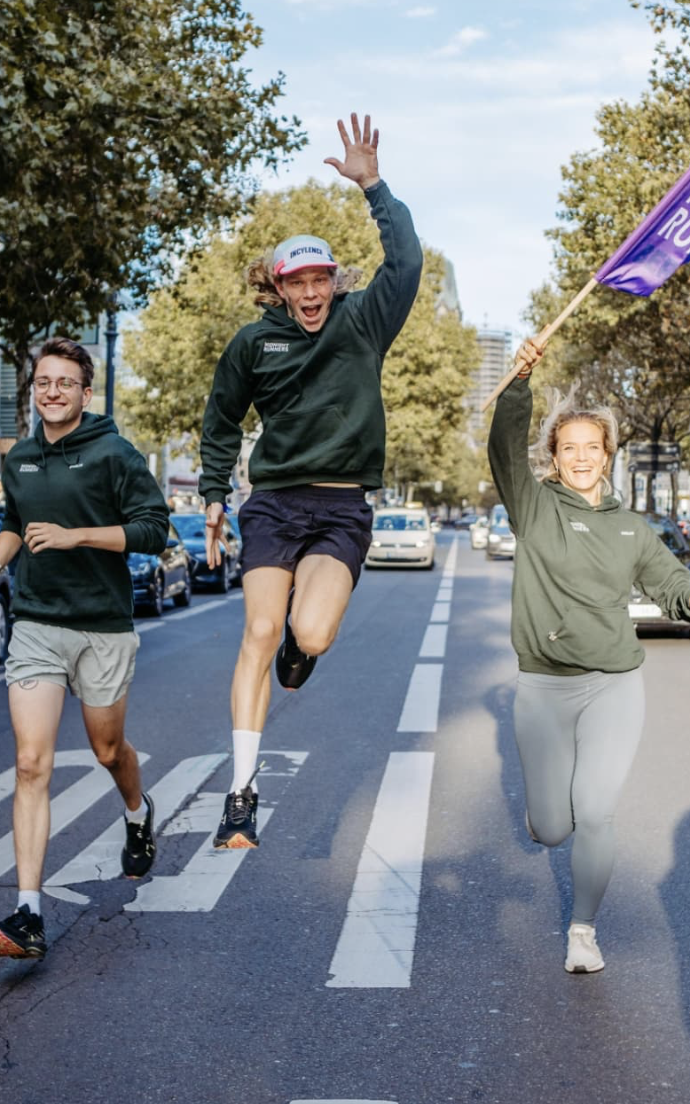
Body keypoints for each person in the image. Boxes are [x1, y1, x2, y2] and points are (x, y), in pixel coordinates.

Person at [199, 112, 423, 849]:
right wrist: (210, 495)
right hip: (274, 503)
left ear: (334, 281)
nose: (313, 291)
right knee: (259, 631)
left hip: (340, 507)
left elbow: (407, 263)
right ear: (280, 286)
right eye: (299, 281)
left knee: (308, 632)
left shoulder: (363, 323)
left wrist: (374, 186)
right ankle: (240, 792)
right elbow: (222, 418)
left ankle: (304, 649)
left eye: (322, 278)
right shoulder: (252, 343)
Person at [488, 336, 690, 974]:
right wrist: (518, 382)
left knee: (595, 811)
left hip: (614, 685)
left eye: (593, 448)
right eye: (571, 449)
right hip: (543, 689)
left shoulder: (631, 527)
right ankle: (550, 828)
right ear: (555, 457)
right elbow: (504, 447)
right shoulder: (534, 508)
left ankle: (583, 931)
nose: (583, 458)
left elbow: (668, 580)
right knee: (552, 829)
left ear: (608, 456)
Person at [0, 336, 170, 960]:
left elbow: (154, 531)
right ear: (34, 390)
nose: (52, 391)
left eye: (65, 382)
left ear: (84, 391)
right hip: (37, 624)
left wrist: (78, 536)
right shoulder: (19, 457)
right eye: (43, 382)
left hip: (102, 624)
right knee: (30, 763)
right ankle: (28, 914)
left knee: (107, 748)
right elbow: (16, 525)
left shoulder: (115, 454)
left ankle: (136, 808)